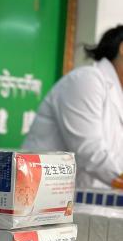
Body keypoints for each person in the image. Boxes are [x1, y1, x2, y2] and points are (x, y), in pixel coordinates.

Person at [23, 25, 123, 189]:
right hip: (40, 194)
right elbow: (88, 150)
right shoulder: (87, 80)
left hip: (81, 197)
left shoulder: (117, 94)